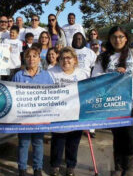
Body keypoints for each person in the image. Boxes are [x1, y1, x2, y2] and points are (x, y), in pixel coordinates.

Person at [92, 26, 133, 176]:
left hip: (130, 105)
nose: (117, 40)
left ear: (126, 38)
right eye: (114, 37)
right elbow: (95, 78)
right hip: (112, 104)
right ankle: (118, 167)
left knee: (129, 137)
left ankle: (128, 168)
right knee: (117, 136)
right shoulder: (103, 57)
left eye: (121, 36)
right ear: (109, 39)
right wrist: (113, 75)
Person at [12, 46, 54, 176]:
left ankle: (37, 169)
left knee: (38, 142)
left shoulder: (46, 76)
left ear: (39, 59)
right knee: (24, 142)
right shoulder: (18, 75)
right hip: (23, 117)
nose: (31, 59)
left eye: (34, 56)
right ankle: (22, 169)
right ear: (24, 59)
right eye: (28, 56)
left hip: (40, 116)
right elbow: (12, 94)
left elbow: (53, 94)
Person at [48, 47, 89, 176]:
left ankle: (70, 166)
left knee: (73, 142)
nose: (66, 61)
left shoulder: (82, 73)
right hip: (58, 113)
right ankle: (55, 166)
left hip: (76, 113)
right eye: (63, 58)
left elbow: (88, 92)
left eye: (69, 58)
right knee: (58, 141)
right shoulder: (51, 72)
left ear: (75, 60)